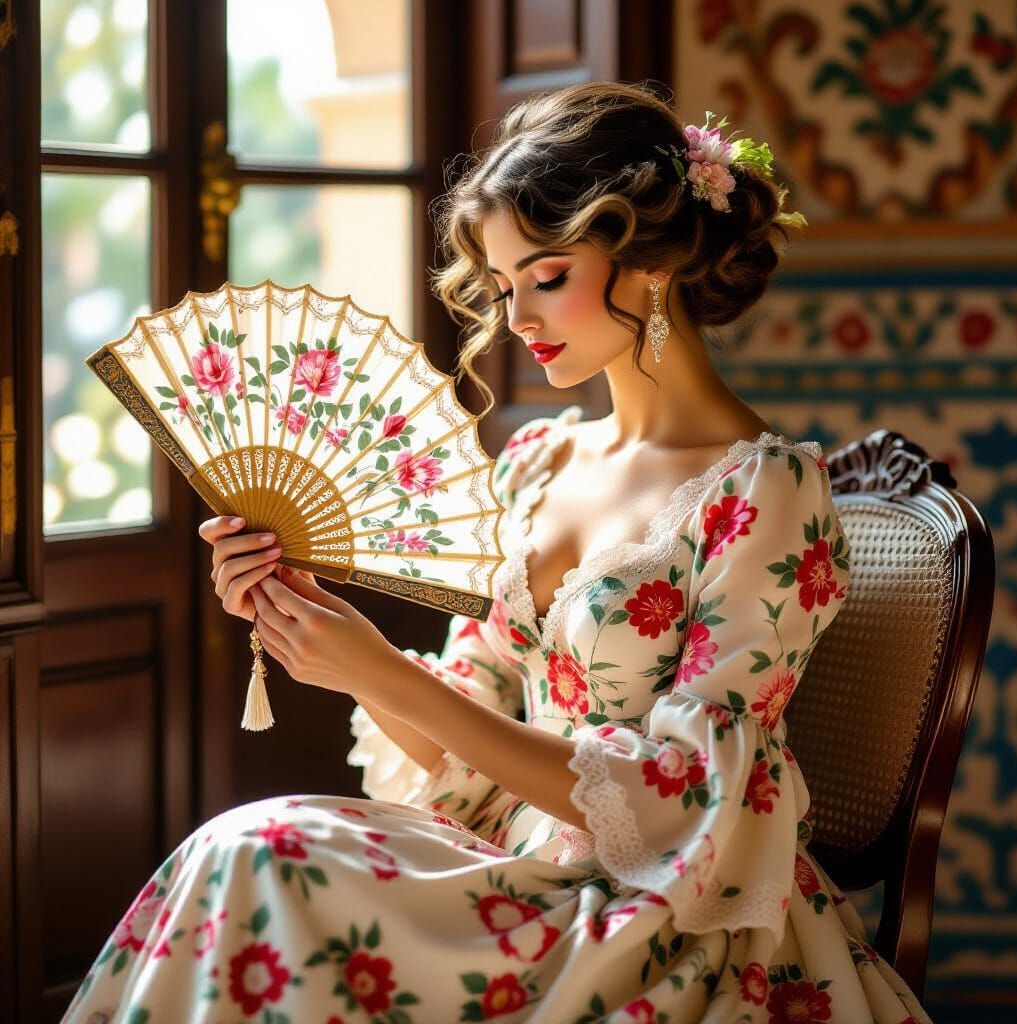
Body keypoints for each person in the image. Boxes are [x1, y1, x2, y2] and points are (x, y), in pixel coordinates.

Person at [62, 82, 931, 1023]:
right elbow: (458, 746)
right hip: (510, 870)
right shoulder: (535, 463)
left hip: (657, 915)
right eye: (504, 286)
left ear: (651, 262)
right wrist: (336, 641)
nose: (516, 317)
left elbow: (687, 800)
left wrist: (381, 671)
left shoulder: (765, 490)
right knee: (239, 848)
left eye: (546, 276)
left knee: (261, 858)